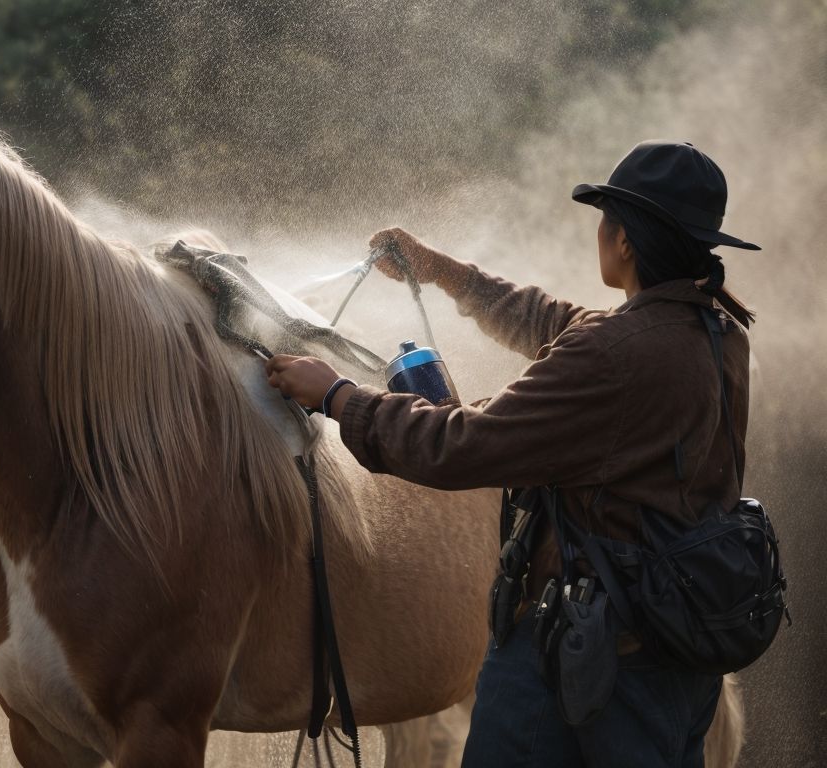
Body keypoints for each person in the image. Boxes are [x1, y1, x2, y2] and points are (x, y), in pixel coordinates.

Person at [265, 140, 758, 767]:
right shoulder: (715, 332)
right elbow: (556, 322)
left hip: (584, 660)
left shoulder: (614, 354)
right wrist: (447, 272)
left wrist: (336, 396)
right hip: (672, 652)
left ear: (626, 240)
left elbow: (461, 446)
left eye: (605, 218)